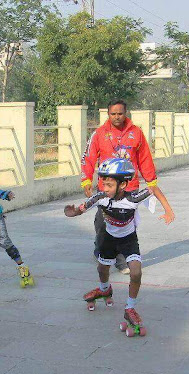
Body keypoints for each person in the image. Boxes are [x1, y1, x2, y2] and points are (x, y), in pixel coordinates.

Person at [81, 98, 175, 272]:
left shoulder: (136, 133)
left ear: (126, 113)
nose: (117, 117)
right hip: (106, 187)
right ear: (108, 114)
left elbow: (145, 158)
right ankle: (100, 246)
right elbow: (88, 157)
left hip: (129, 186)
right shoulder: (99, 134)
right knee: (103, 222)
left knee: (124, 223)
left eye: (120, 114)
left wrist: (151, 181)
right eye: (113, 114)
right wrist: (86, 180)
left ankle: (121, 258)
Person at [64, 158, 155, 337]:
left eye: (109, 185)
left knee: (136, 272)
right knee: (102, 268)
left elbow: (152, 189)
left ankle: (130, 308)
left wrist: (166, 207)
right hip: (108, 239)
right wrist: (72, 212)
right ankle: (104, 289)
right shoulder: (100, 198)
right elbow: (82, 208)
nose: (104, 188)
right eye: (103, 184)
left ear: (123, 185)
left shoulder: (134, 198)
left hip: (129, 240)